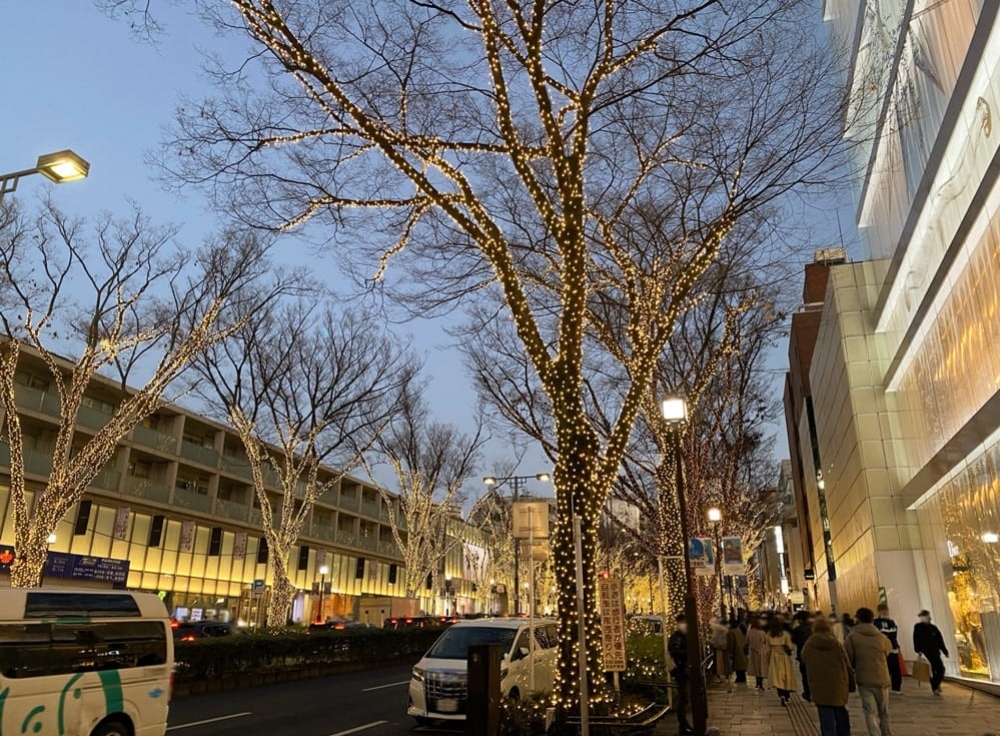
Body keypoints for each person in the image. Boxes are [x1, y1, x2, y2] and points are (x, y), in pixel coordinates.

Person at [802, 616, 854, 736]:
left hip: (819, 685)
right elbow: (847, 665)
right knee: (840, 711)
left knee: (825, 716)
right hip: (838, 684)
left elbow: (803, 660)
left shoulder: (809, 644)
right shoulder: (836, 644)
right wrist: (851, 684)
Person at [845, 607, 893, 736]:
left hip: (864, 678)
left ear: (858, 619)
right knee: (884, 711)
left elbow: (848, 657)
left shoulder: (852, 637)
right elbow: (888, 650)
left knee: (869, 711)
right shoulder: (880, 636)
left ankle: (875, 734)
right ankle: (887, 733)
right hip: (882, 677)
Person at [667, 614, 694, 735]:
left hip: (684, 671)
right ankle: (683, 725)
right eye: (683, 622)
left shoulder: (684, 636)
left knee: (685, 698)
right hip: (680, 671)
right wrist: (686, 654)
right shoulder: (677, 637)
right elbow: (675, 651)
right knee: (683, 698)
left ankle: (684, 725)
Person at [913, 609, 949, 695]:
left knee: (941, 669)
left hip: (935, 653)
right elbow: (915, 639)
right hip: (926, 654)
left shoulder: (933, 628)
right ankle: (935, 687)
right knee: (931, 671)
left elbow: (940, 640)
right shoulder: (918, 627)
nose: (928, 618)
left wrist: (944, 650)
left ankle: (935, 685)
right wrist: (918, 650)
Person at [766, 615, 796, 706]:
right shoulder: (785, 634)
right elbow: (790, 646)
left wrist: (768, 659)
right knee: (786, 676)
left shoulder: (769, 634)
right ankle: (787, 696)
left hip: (774, 656)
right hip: (784, 656)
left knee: (777, 677)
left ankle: (781, 695)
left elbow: (767, 649)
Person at [873, 604, 902, 693]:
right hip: (882, 649)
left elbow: (893, 634)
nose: (885, 612)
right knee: (884, 669)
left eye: (886, 610)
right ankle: (882, 685)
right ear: (879, 611)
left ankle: (896, 688)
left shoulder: (892, 622)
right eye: (883, 610)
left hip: (893, 649)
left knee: (896, 669)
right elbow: (879, 634)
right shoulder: (875, 622)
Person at [791, 610, 814, 701]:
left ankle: (807, 693)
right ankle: (815, 692)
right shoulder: (814, 628)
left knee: (805, 675)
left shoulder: (797, 630)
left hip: (802, 655)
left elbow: (793, 641)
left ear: (800, 620)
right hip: (815, 655)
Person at [747, 617, 769, 690]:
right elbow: (766, 641)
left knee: (755, 668)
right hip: (761, 651)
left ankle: (757, 683)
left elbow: (747, 641)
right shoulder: (762, 633)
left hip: (753, 652)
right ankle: (761, 684)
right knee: (761, 667)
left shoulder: (750, 632)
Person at [710, 617, 731, 682]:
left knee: (718, 663)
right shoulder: (726, 630)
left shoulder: (716, 630)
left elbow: (714, 639)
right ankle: (727, 676)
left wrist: (712, 644)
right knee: (726, 662)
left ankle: (720, 677)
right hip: (725, 647)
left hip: (717, 648)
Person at [728, 618, 748, 684]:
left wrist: (730, 652)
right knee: (741, 664)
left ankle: (740, 678)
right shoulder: (739, 630)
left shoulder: (731, 632)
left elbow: (731, 642)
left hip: (736, 650)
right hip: (741, 649)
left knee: (737, 665)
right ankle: (742, 677)